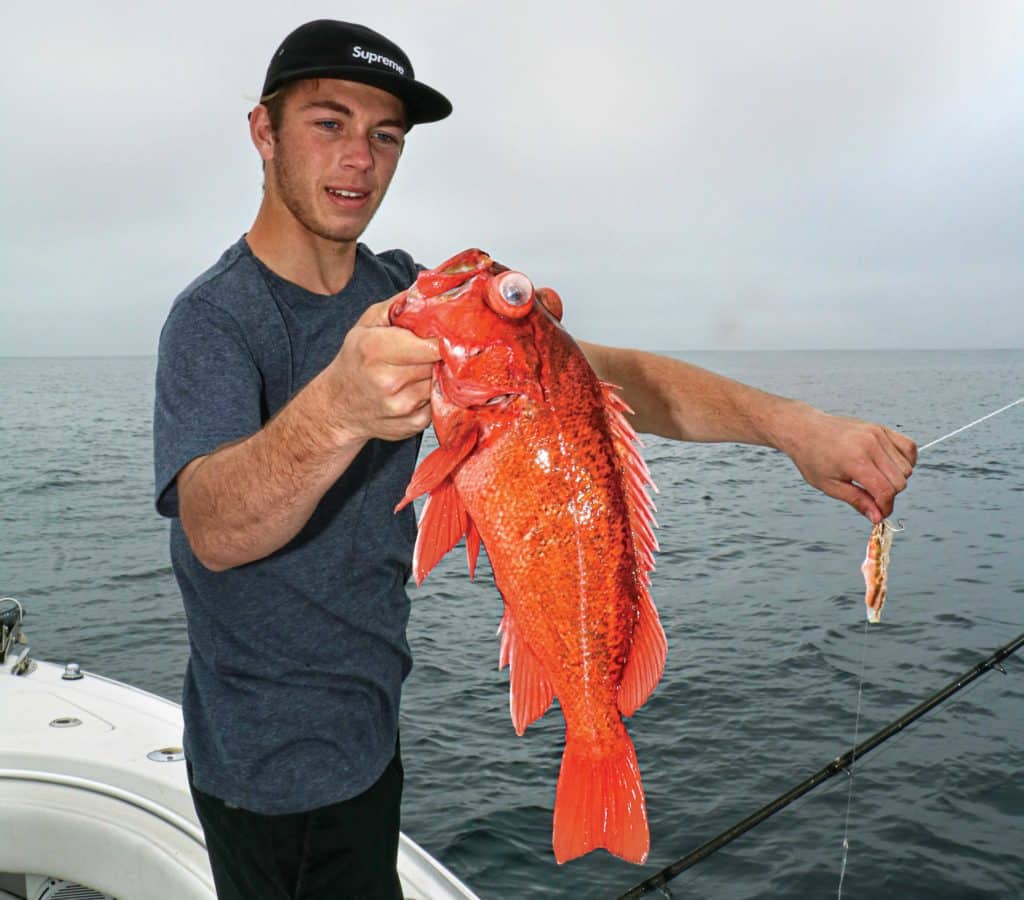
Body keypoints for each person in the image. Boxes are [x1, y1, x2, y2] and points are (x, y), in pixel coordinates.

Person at [152, 19, 917, 900]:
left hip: (372, 731)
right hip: (269, 771)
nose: (359, 158)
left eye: (386, 135)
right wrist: (338, 409)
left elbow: (610, 382)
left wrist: (795, 427)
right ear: (263, 131)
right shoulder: (215, 319)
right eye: (329, 123)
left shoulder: (404, 295)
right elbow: (211, 526)